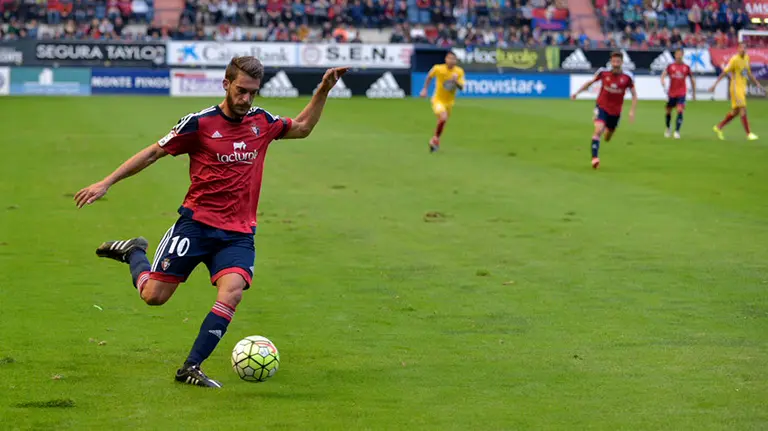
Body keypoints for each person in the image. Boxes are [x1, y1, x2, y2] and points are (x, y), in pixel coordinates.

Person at [74, 56, 349, 388]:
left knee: (232, 293)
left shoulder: (262, 121)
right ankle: (135, 253)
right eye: (241, 91)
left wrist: (323, 90)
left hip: (238, 234)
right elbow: (153, 152)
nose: (247, 100)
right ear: (226, 84)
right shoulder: (199, 123)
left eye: (253, 93)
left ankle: (191, 366)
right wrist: (107, 182)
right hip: (196, 226)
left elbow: (302, 128)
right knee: (153, 296)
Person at [570, 51, 638, 169]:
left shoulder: (627, 77)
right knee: (598, 130)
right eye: (614, 61)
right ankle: (595, 158)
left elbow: (634, 95)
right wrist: (577, 93)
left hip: (616, 112)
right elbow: (590, 83)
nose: (616, 64)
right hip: (602, 106)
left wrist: (632, 111)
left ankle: (607, 132)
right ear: (611, 62)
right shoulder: (603, 73)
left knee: (607, 137)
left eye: (618, 61)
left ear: (622, 62)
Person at [710, 42, 764, 141]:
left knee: (736, 112)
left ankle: (719, 127)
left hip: (742, 88)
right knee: (743, 108)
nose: (743, 50)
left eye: (744, 48)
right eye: (741, 48)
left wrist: (757, 83)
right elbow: (724, 72)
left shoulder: (747, 58)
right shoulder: (734, 60)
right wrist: (715, 85)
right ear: (738, 49)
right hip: (735, 88)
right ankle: (749, 134)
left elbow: (748, 72)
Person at [419, 51, 465, 153]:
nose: (451, 61)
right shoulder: (438, 68)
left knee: (442, 122)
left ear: (456, 60)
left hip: (449, 102)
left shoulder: (459, 72)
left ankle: (435, 140)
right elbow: (429, 76)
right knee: (443, 117)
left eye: (453, 59)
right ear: (445, 59)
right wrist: (425, 89)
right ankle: (435, 139)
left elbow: (461, 88)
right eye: (449, 58)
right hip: (438, 100)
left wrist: (456, 81)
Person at [661, 48, 695, 139]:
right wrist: (663, 80)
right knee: (668, 111)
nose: (679, 56)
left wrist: (694, 93)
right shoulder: (671, 66)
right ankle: (668, 128)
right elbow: (663, 74)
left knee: (680, 110)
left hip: (681, 93)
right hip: (671, 93)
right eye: (677, 54)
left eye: (680, 54)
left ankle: (677, 131)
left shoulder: (686, 67)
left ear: (682, 55)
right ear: (675, 55)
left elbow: (692, 80)